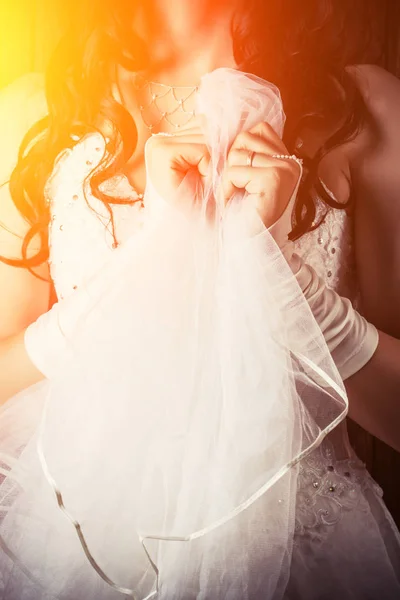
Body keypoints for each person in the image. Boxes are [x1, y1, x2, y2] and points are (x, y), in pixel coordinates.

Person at [0, 1, 399, 598]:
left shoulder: (366, 107)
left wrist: (289, 285)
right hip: (76, 545)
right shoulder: (35, 110)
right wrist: (143, 267)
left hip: (305, 555)